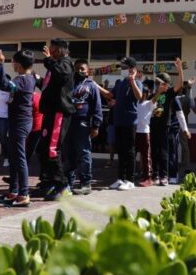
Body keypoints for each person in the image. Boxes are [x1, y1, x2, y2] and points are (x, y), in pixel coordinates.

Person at [0, 49, 35, 207]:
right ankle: (14, 190)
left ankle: (24, 193)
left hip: (20, 123)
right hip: (17, 122)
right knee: (13, 157)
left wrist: (0, 64)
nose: (11, 64)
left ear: (18, 64)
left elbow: (4, 85)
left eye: (12, 62)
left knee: (19, 158)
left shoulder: (23, 79)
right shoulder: (28, 78)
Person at [38, 39, 74, 200]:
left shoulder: (65, 63)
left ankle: (63, 187)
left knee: (53, 150)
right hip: (50, 112)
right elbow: (52, 86)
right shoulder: (56, 64)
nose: (50, 50)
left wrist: (48, 60)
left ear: (61, 50)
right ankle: (51, 182)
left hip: (59, 113)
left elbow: (62, 75)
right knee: (44, 149)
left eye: (53, 48)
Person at [64, 59, 102, 195]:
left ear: (87, 71)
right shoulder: (69, 84)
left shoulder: (91, 86)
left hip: (83, 124)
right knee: (68, 154)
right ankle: (68, 183)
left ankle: (86, 183)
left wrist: (96, 125)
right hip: (68, 124)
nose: (79, 71)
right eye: (77, 68)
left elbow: (97, 107)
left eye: (82, 69)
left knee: (83, 154)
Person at [105, 56, 143, 191]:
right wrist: (95, 85)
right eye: (122, 67)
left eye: (125, 67)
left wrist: (132, 80)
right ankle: (120, 179)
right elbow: (110, 95)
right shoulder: (120, 83)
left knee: (129, 151)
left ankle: (130, 180)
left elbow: (139, 97)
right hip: (118, 122)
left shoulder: (137, 82)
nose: (123, 70)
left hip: (130, 122)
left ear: (132, 69)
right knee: (120, 151)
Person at [149, 60, 185, 186]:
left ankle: (164, 176)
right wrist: (158, 93)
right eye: (157, 83)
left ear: (166, 84)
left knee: (164, 152)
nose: (158, 85)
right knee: (154, 152)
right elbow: (151, 105)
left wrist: (179, 69)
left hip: (165, 126)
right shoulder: (154, 94)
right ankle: (155, 175)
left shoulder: (170, 94)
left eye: (160, 83)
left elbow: (180, 84)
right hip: (153, 126)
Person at [135, 79, 155, 187]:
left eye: (144, 93)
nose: (142, 95)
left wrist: (160, 91)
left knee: (146, 156)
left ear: (147, 94)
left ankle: (148, 178)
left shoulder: (148, 103)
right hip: (135, 132)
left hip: (144, 132)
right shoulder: (135, 103)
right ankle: (136, 174)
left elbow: (155, 99)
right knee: (133, 155)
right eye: (141, 92)